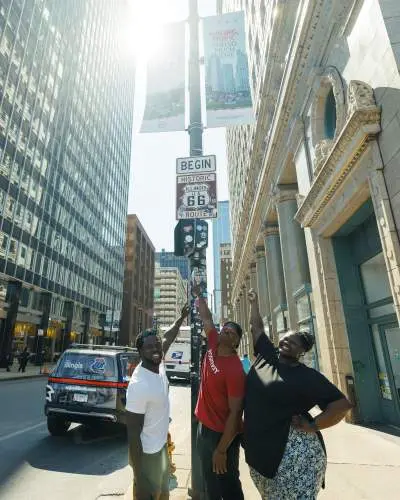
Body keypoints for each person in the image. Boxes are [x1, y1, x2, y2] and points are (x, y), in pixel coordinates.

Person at [244, 289, 352, 499]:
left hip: (292, 458)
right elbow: (255, 328)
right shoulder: (267, 356)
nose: (287, 342)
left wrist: (313, 425)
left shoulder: (306, 376)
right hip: (258, 453)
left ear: (301, 352)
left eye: (294, 342)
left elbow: (342, 404)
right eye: (286, 338)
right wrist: (254, 303)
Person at [125, 304, 190, 500]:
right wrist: (139, 477)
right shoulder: (138, 385)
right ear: (140, 351)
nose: (155, 349)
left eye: (156, 345)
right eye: (149, 347)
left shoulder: (158, 364)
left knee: (163, 496)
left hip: (161, 449)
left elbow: (168, 337)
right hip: (146, 457)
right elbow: (133, 436)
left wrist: (181, 317)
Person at [193, 285, 245, 500]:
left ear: (236, 342)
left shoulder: (235, 370)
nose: (226, 331)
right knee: (210, 480)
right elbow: (206, 318)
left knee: (227, 482)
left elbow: (236, 414)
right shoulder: (213, 344)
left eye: (231, 332)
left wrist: (222, 449)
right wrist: (199, 296)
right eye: (225, 328)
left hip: (221, 435)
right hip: (204, 429)